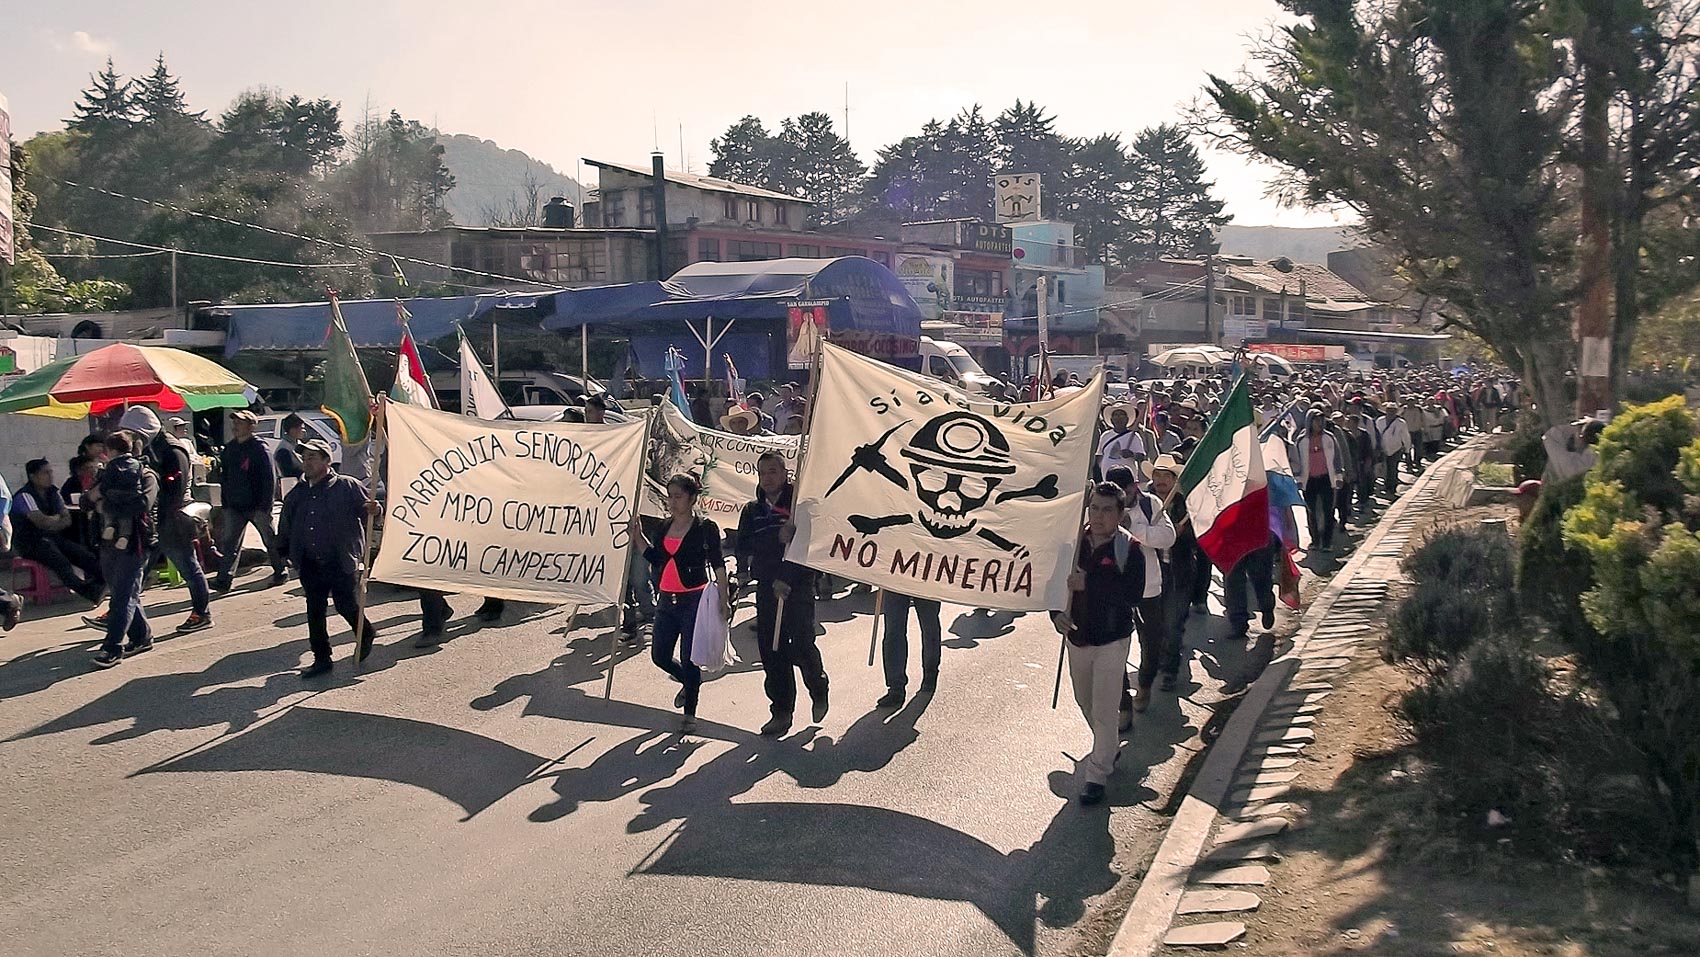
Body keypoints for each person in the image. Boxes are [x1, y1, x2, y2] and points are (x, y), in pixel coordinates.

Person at [1055, 482, 1144, 806]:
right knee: (1085, 702)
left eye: (1107, 510)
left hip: (1112, 640)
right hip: (1077, 637)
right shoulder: (1074, 544)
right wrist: (1056, 616)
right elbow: (1055, 585)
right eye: (1094, 508)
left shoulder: (1129, 550)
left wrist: (1089, 583)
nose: (1099, 516)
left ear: (1120, 514)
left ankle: (1096, 775)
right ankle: (1108, 748)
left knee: (1105, 710)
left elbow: (1132, 595)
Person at [736, 453, 828, 737]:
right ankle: (781, 711)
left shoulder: (800, 507)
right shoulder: (752, 510)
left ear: (785, 474)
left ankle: (817, 683)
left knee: (801, 643)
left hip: (797, 585)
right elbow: (743, 546)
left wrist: (794, 537)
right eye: (763, 473)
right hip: (767, 586)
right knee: (771, 649)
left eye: (773, 471)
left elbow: (812, 548)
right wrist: (746, 574)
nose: (767, 478)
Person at [636, 474, 730, 731]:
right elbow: (656, 558)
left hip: (694, 600)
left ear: (691, 498)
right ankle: (687, 685)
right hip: (666, 600)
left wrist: (724, 599)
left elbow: (719, 565)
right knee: (660, 656)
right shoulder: (663, 527)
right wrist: (638, 536)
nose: (672, 501)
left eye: (678, 496)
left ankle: (690, 713)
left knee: (690, 658)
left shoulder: (704, 528)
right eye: (670, 496)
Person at [279, 439, 380, 678]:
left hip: (340, 559)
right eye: (305, 458)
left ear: (326, 460)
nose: (307, 462)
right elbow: (286, 525)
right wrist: (283, 552)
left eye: (313, 457)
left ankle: (364, 632)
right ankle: (322, 659)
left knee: (345, 604)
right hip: (309, 562)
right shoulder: (297, 494)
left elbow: (368, 512)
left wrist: (376, 510)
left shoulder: (347, 486)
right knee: (314, 611)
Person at [121, 406, 214, 633]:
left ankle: (202, 612)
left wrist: (161, 518)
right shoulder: (148, 449)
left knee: (188, 566)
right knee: (137, 570)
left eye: (133, 435)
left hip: (173, 518)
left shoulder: (172, 450)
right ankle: (123, 610)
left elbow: (175, 488)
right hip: (153, 520)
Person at [1106, 464, 1177, 717]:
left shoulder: (1151, 504)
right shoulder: (1102, 507)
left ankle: (1145, 683)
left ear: (1134, 486)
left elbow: (1168, 537)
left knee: (1152, 643)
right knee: (1114, 648)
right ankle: (1123, 701)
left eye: (1124, 492)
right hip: (1113, 591)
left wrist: (1132, 530)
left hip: (1148, 587)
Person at [88, 432, 159, 668]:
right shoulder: (106, 474)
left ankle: (112, 647)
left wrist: (106, 504)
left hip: (135, 542)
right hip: (108, 542)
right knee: (123, 591)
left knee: (123, 596)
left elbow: (143, 505)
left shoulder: (147, 475)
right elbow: (87, 500)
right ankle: (141, 636)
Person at [10, 458, 104, 603]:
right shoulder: (24, 496)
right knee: (61, 563)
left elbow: (67, 519)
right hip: (29, 542)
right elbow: (40, 521)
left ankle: (103, 583)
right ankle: (88, 591)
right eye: (45, 473)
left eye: (50, 472)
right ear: (33, 476)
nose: (50, 476)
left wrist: (53, 521)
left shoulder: (53, 493)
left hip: (51, 537)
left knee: (84, 555)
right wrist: (55, 520)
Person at [213, 410, 288, 591]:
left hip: (257, 506)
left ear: (251, 426)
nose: (235, 426)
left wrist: (265, 506)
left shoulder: (259, 448)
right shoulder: (230, 449)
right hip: (234, 506)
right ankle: (224, 579)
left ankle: (280, 570)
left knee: (269, 540)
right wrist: (226, 502)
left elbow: (270, 478)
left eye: (240, 422)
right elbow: (224, 477)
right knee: (230, 543)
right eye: (235, 422)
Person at [1148, 454, 1198, 691]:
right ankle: (1155, 661)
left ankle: (1169, 671)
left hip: (1178, 572)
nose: (1160, 480)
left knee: (1173, 623)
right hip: (1151, 574)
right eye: (1156, 475)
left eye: (1165, 476)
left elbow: (1198, 537)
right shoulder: (1145, 504)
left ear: (1174, 479)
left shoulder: (1185, 504)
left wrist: (1181, 534)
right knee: (1152, 625)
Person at [1289, 412, 1344, 552]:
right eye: (1316, 421)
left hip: (1326, 478)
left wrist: (1338, 476)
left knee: (1327, 510)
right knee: (1311, 510)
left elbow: (1337, 458)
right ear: (1309, 422)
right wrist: (1298, 479)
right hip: (1309, 480)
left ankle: (1326, 542)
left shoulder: (1329, 438)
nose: (1319, 424)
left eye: (1321, 420)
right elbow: (1296, 461)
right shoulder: (1302, 440)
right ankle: (1315, 540)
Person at [877, 590, 941, 709]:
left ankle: (930, 673)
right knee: (893, 631)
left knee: (930, 626)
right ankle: (896, 688)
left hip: (926, 580)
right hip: (895, 580)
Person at [1096, 403, 1145, 482]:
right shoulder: (1105, 435)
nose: (1118, 418)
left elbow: (1141, 456)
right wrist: (1103, 466)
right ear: (1111, 420)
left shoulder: (1134, 436)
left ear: (1127, 419)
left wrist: (1131, 454)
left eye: (1122, 415)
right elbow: (1099, 455)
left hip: (1127, 477)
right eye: (1116, 415)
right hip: (1107, 475)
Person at [1373, 403, 1411, 499]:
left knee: (1393, 468)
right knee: (1383, 468)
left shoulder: (1401, 422)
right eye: (1389, 410)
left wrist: (1407, 449)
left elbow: (1405, 436)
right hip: (1382, 448)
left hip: (1396, 449)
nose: (1390, 412)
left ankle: (1392, 487)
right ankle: (1385, 485)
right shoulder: (1379, 421)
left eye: (1393, 410)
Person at [274, 414, 308, 485]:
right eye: (301, 428)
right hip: (290, 485)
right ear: (292, 430)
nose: (304, 431)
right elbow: (288, 474)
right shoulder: (284, 450)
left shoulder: (298, 443)